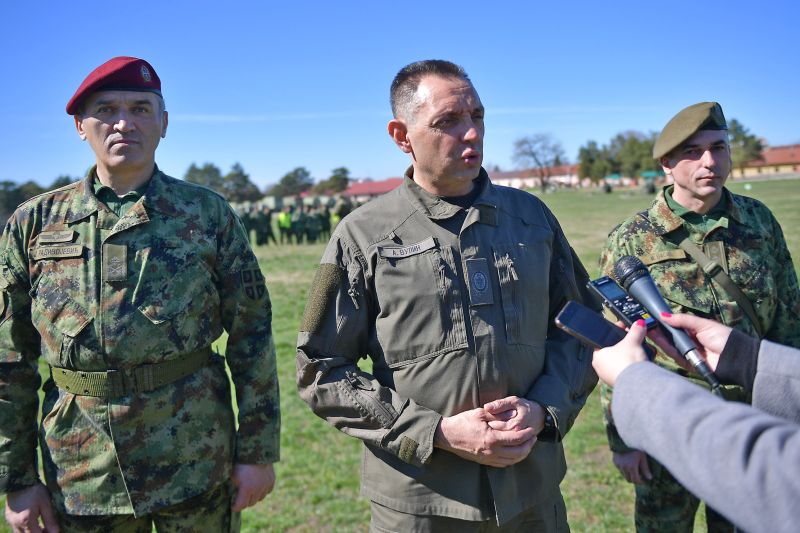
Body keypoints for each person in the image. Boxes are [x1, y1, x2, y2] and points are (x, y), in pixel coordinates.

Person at [296, 59, 597, 531]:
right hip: (422, 504)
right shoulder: (363, 236)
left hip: (532, 497)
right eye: (448, 121)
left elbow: (582, 326)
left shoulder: (532, 219)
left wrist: (544, 408)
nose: (471, 133)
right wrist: (436, 433)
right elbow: (320, 368)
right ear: (402, 135)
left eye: (476, 116)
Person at [0, 56, 280, 532]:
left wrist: (256, 451)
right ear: (79, 126)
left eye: (141, 108)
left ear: (164, 123)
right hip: (81, 470)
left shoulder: (207, 214)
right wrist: (16, 477)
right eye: (106, 109)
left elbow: (253, 334)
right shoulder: (34, 223)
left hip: (195, 455)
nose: (124, 122)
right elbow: (9, 358)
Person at [598, 101, 800, 532]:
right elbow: (617, 342)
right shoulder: (633, 238)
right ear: (667, 165)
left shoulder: (759, 222)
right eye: (692, 151)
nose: (710, 161)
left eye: (719, 147)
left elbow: (788, 317)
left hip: (753, 414)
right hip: (670, 419)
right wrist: (623, 440)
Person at [592, 313, 800, 533]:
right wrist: (745, 359)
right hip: (668, 446)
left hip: (697, 425)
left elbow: (766, 471)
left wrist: (637, 383)